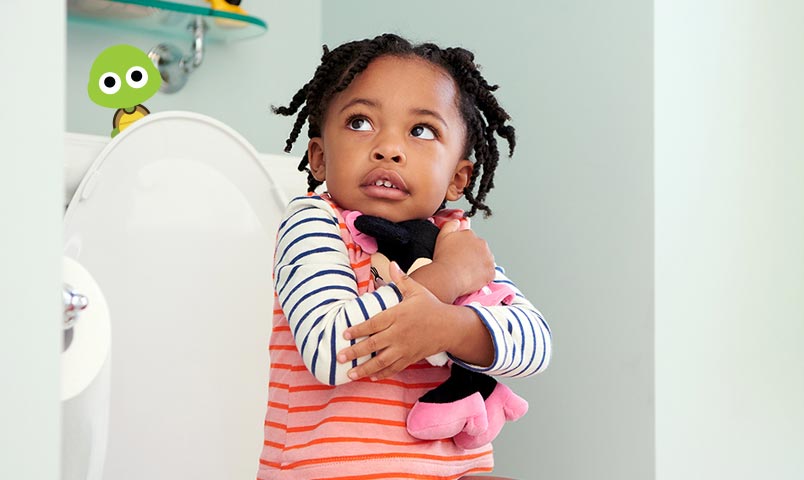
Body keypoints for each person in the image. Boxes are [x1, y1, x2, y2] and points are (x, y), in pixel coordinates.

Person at [257, 33, 551, 480]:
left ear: (457, 178)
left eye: (421, 131)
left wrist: (452, 326)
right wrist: (443, 281)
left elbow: (535, 344)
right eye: (360, 122)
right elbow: (329, 348)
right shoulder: (315, 224)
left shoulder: (453, 239)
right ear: (318, 158)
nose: (389, 148)